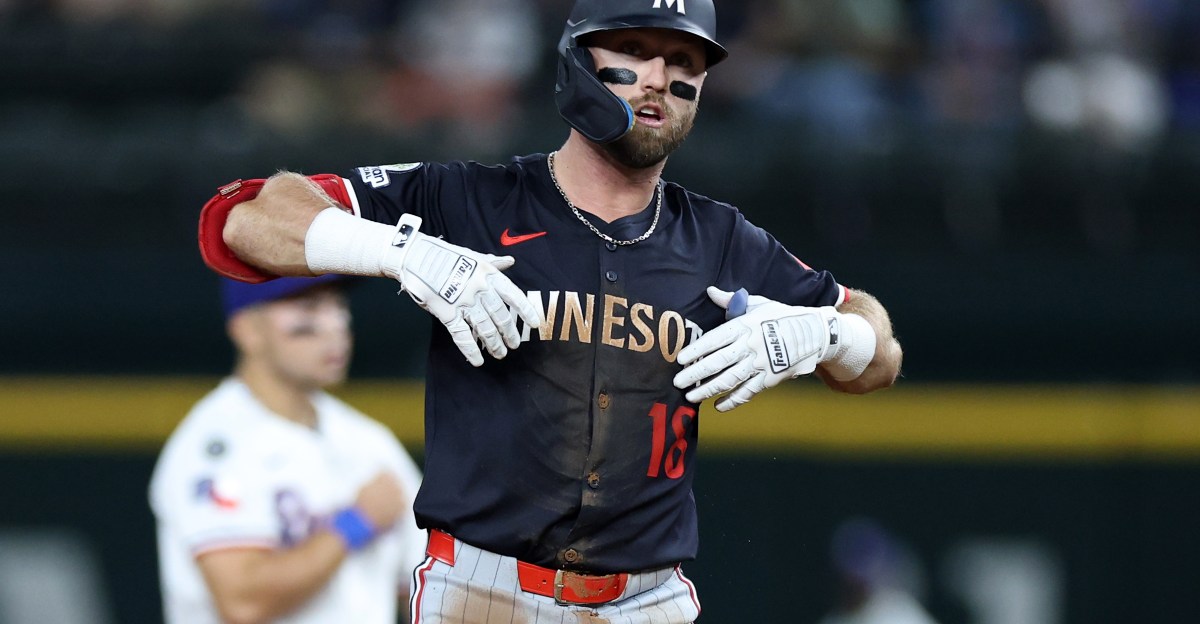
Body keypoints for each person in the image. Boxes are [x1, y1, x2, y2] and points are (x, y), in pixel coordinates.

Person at [196, 0, 903, 621]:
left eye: (684, 61)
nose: (659, 77)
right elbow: (247, 219)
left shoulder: (722, 239)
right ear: (577, 59)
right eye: (633, 49)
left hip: (647, 602)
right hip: (482, 593)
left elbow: (879, 354)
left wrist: (828, 334)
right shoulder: (470, 200)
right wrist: (402, 252)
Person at [148, 275, 426, 624]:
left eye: (338, 306)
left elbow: (427, 590)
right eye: (309, 308)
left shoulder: (370, 441)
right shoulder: (213, 446)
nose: (335, 325)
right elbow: (243, 603)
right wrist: (355, 523)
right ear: (248, 330)